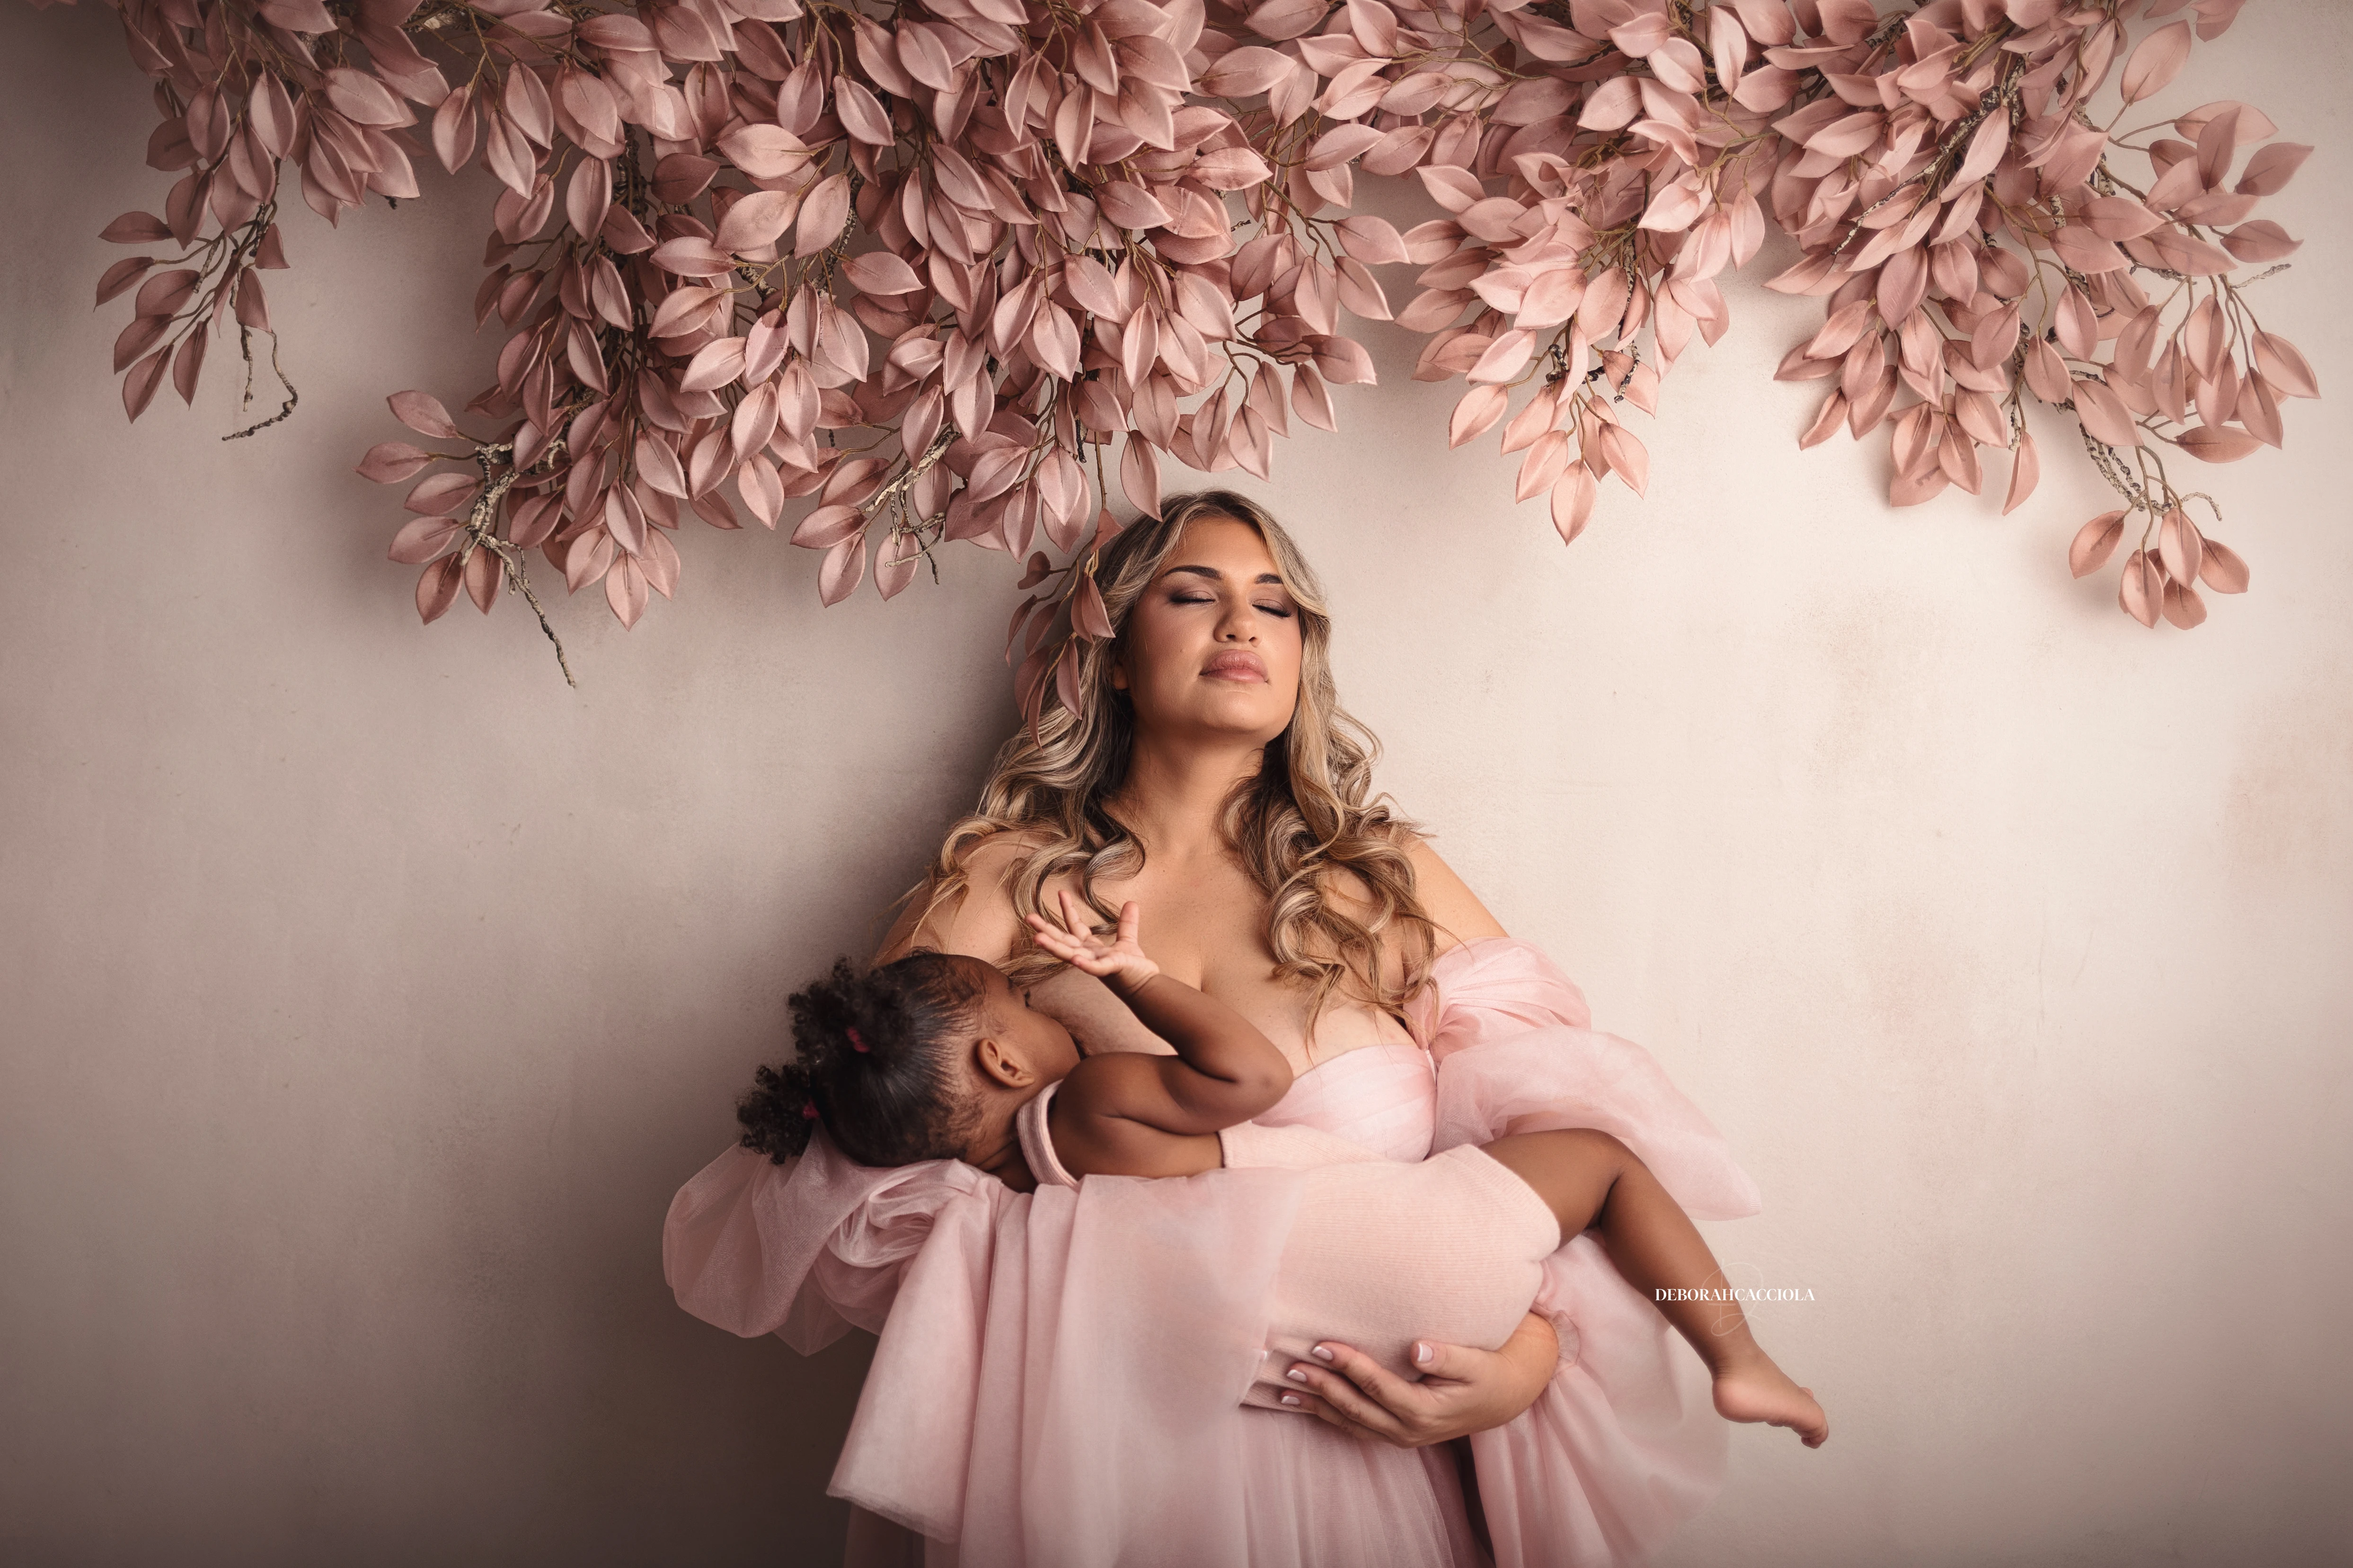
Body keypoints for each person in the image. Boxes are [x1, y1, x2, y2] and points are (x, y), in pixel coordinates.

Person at [664, 491, 1776, 1567]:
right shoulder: (1002, 884)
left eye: (1276, 602)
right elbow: (854, 1192)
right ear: (1109, 648)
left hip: (1372, 1463)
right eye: (1192, 594)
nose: (1244, 621)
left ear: (1302, 652)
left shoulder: (1383, 882)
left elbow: (1558, 1160)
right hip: (1097, 1474)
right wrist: (1153, 1296)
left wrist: (1524, 1363)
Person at [736, 890, 1830, 1453]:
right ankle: (1737, 1351)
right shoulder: (1087, 1105)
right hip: (1414, 1251)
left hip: (1345, 1339)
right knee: (1599, 1163)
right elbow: (1248, 1075)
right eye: (1026, 1001)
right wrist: (1138, 976)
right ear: (1004, 1060)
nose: (1051, 1000)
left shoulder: (1016, 1199)